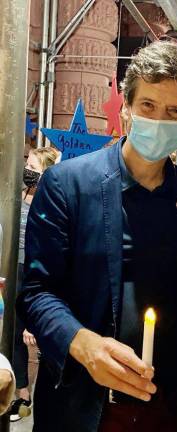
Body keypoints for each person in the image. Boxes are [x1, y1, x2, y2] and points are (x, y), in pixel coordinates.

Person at [16, 40, 177, 432]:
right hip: (83, 404)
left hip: (168, 408)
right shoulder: (68, 184)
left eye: (174, 111)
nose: (159, 119)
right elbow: (37, 291)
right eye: (148, 106)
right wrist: (83, 344)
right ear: (126, 108)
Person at [10, 147, 59, 422]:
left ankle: (31, 398)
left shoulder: (49, 203)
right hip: (12, 267)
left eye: (33, 166)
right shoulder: (19, 194)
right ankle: (19, 392)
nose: (27, 169)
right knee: (14, 333)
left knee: (31, 335)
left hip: (32, 270)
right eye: (26, 163)